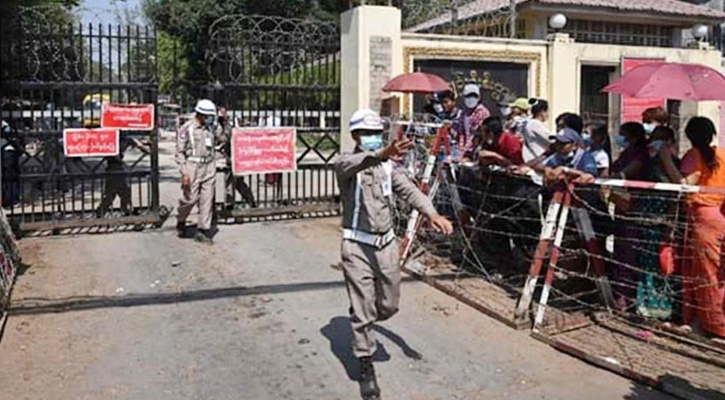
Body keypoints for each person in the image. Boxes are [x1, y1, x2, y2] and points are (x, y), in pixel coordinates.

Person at [335, 109, 454, 400]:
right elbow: (346, 166)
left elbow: (410, 192)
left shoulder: (390, 167)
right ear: (355, 136)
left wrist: (432, 213)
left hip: (386, 244)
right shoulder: (347, 163)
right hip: (357, 246)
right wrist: (381, 153)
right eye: (367, 134)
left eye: (377, 134)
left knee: (388, 305)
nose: (373, 139)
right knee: (363, 310)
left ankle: (363, 314)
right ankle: (366, 363)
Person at [680, 117, 725, 338]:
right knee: (719, 272)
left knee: (706, 273)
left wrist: (664, 159)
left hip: (704, 219)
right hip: (721, 216)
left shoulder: (693, 156)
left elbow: (686, 185)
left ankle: (716, 325)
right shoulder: (723, 155)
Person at [176, 99, 218, 244]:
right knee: (190, 198)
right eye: (207, 115)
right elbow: (180, 151)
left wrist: (226, 123)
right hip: (192, 166)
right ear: (200, 114)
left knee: (207, 199)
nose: (210, 118)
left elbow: (223, 138)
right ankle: (181, 219)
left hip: (209, 165)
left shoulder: (210, 128)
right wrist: (184, 172)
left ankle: (202, 230)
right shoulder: (187, 128)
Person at [215, 107, 257, 210]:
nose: (221, 116)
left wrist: (225, 124)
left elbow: (228, 137)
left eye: (223, 113)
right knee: (228, 181)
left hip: (233, 156)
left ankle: (247, 200)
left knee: (236, 181)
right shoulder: (216, 125)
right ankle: (228, 203)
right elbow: (218, 138)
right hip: (221, 156)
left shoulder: (231, 124)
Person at [455, 83, 490, 158]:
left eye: (474, 96)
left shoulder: (482, 112)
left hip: (478, 149)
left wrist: (466, 151)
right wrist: (461, 149)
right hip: (464, 151)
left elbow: (478, 134)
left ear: (479, 97)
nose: (471, 98)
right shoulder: (463, 113)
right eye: (468, 96)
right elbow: (462, 133)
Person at [521, 98, 551, 163]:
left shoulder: (529, 123)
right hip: (539, 160)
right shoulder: (535, 124)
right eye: (547, 111)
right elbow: (551, 139)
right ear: (542, 112)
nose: (548, 114)